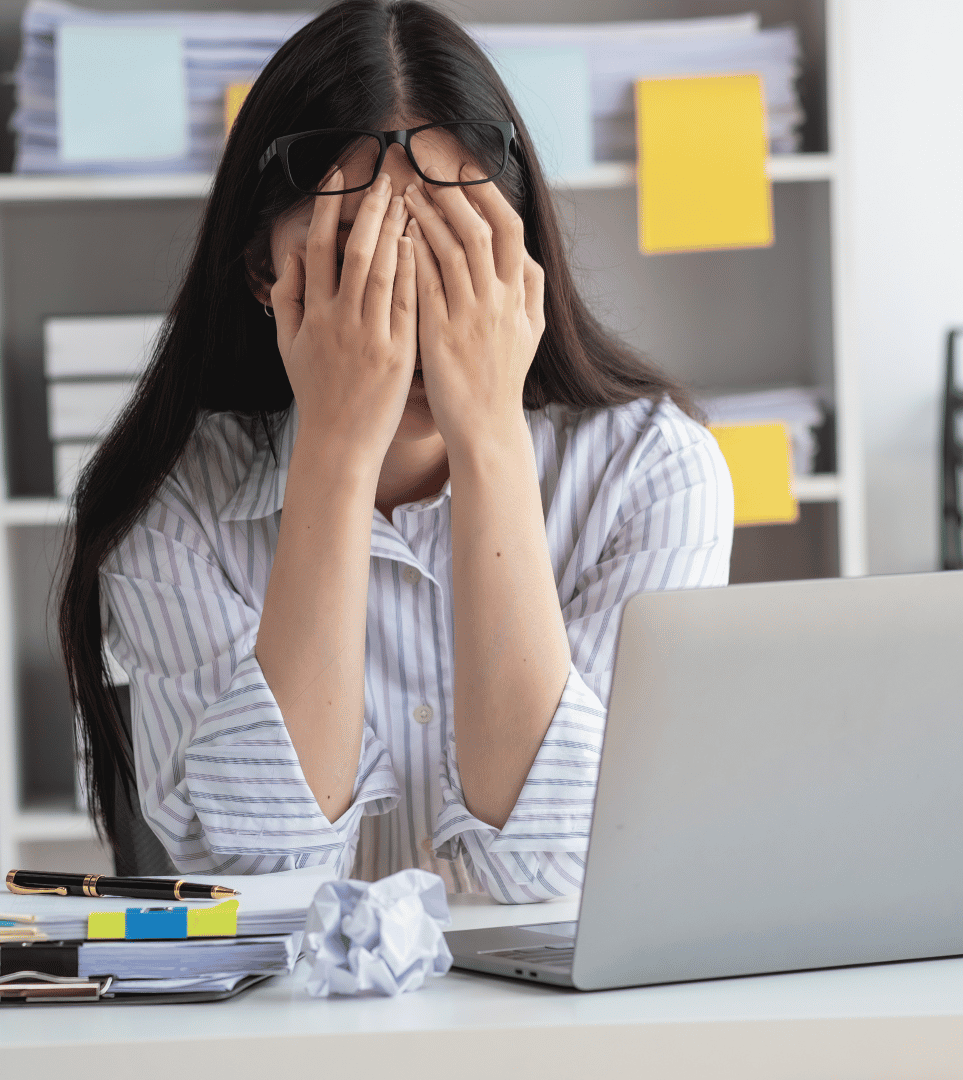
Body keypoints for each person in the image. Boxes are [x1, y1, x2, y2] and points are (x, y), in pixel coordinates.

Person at [59, 0, 734, 903]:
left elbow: (558, 873)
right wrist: (337, 446)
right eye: (358, 261)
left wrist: (490, 431)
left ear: (519, 262)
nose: (412, 319)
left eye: (457, 258)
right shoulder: (174, 504)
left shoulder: (654, 472)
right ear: (265, 271)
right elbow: (259, 880)